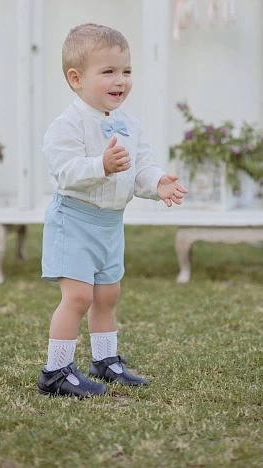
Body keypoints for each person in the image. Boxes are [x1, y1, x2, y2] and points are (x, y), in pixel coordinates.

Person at [37, 23, 187, 398]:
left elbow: (140, 168)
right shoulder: (66, 126)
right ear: (75, 78)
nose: (121, 80)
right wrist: (100, 165)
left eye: (126, 71)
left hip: (109, 224)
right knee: (78, 297)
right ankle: (55, 372)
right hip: (74, 220)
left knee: (107, 295)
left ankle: (105, 361)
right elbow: (64, 171)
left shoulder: (128, 125)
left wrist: (157, 183)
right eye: (108, 72)